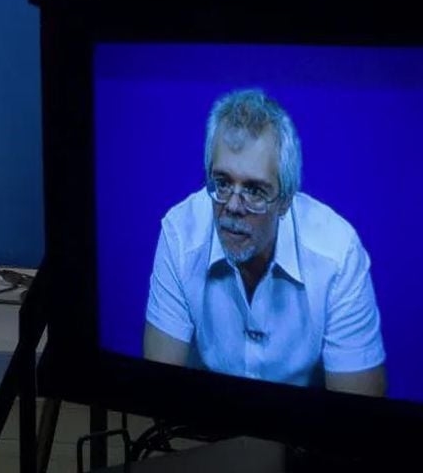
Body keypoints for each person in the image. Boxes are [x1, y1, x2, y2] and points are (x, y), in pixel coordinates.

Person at [143, 88, 386, 396]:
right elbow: (158, 392)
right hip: (205, 422)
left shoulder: (337, 253)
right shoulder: (180, 233)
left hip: (303, 432)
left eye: (255, 191)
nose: (232, 205)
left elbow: (360, 416)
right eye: (222, 183)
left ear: (284, 200)